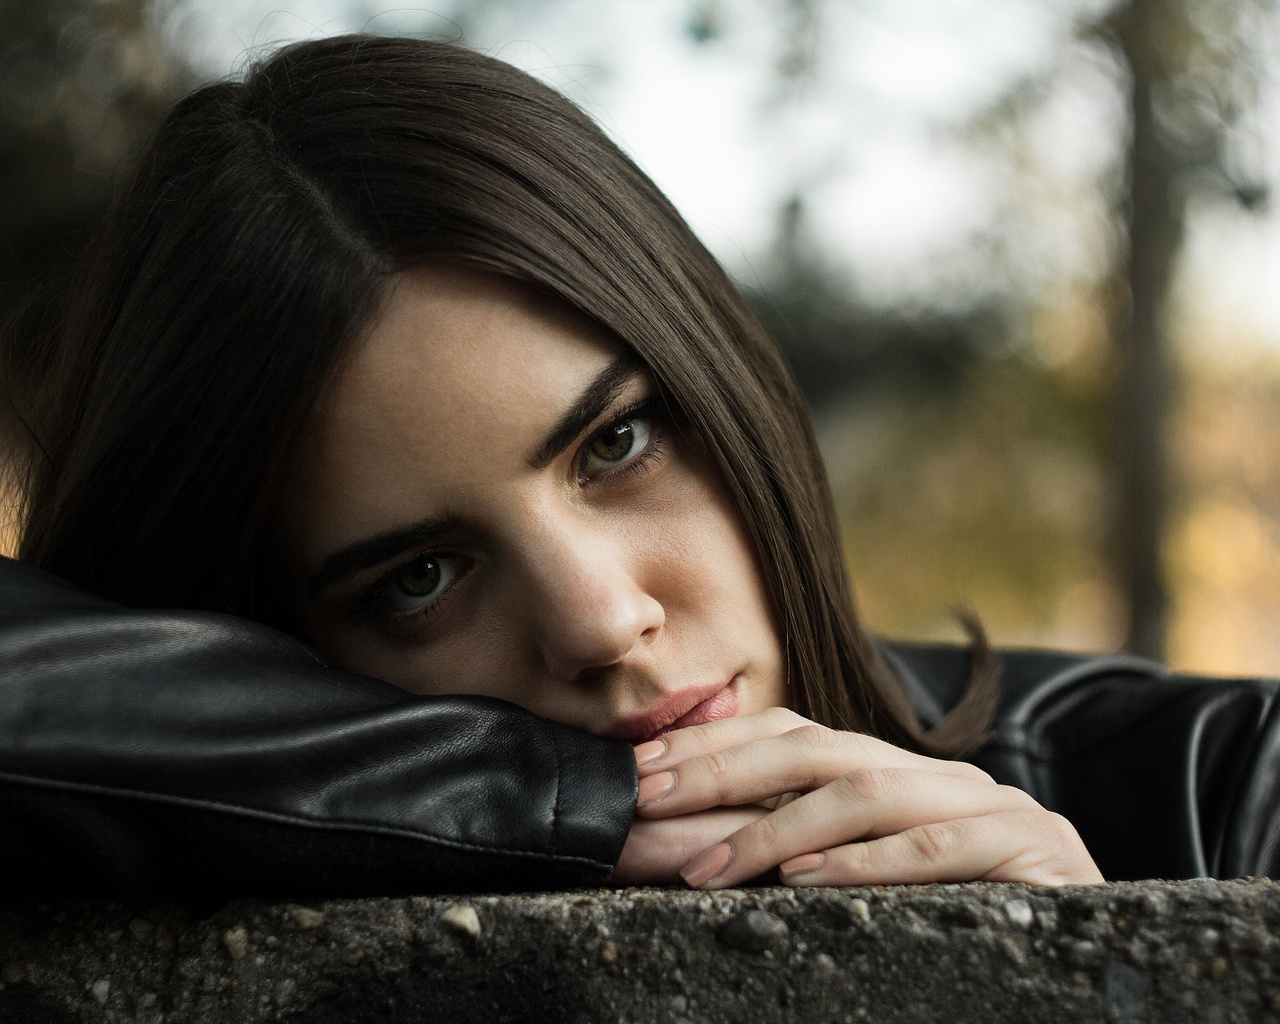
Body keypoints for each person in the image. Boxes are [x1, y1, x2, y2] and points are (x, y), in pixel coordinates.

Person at [1, 35, 1275, 899]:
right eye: (421, 576)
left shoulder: (1220, 789)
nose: (601, 621)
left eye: (614, 443)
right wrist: (538, 801)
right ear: (256, 640)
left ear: (726, 386)